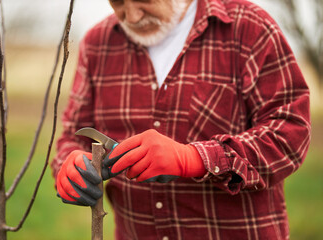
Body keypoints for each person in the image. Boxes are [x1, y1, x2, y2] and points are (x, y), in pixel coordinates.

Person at [51, 0, 311, 239]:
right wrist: (70, 165)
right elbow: (74, 135)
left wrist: (193, 159)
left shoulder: (249, 28)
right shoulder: (97, 44)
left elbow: (290, 130)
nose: (131, 15)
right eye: (117, 2)